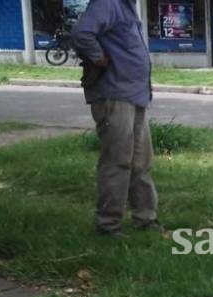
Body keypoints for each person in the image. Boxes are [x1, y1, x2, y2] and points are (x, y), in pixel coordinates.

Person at [71, 0, 160, 236]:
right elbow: (82, 34)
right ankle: (108, 225)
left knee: (141, 162)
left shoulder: (128, 6)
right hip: (114, 94)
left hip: (136, 95)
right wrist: (98, 57)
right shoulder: (107, 3)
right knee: (118, 160)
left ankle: (145, 219)